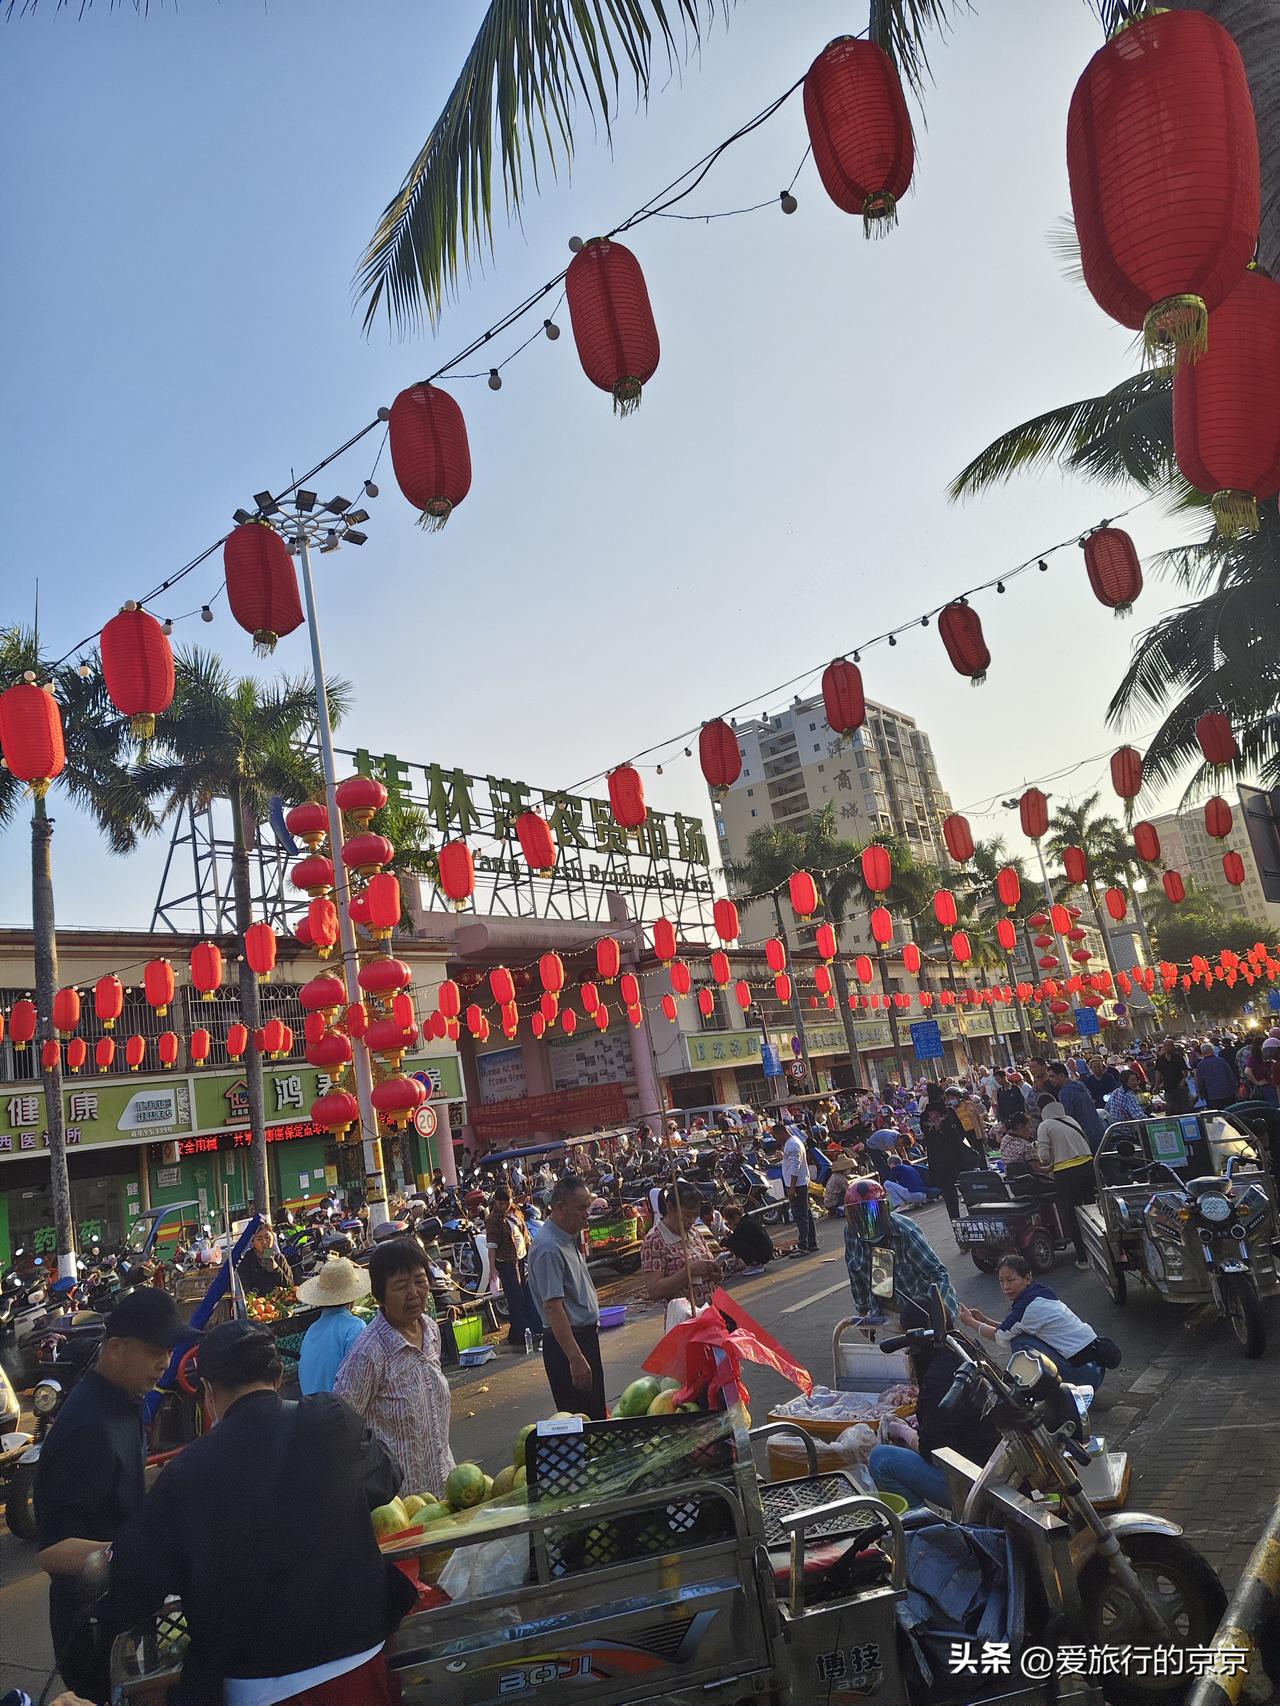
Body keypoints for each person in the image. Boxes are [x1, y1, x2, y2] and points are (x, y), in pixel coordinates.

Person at [106, 1320, 414, 1706]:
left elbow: (136, 1578)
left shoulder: (187, 1471)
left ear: (209, 1392)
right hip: (359, 1661)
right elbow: (387, 1477)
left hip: (259, 1686)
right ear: (278, 1377)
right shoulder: (329, 1418)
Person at [35, 1288, 191, 1702]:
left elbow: (120, 1493)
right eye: (156, 1351)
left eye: (169, 1351)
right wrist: (133, 1552)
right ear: (117, 1348)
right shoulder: (87, 1428)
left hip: (128, 1615)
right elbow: (52, 1553)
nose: (165, 1362)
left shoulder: (125, 1400)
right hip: (93, 1633)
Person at [334, 1237, 455, 1498]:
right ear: (380, 1295)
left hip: (446, 1489)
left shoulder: (430, 1330)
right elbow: (341, 1427)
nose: (414, 1293)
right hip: (399, 1504)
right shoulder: (368, 1352)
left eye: (420, 1281)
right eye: (401, 1286)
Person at [867, 1301, 1001, 1510]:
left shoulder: (939, 1376)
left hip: (976, 1487)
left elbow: (928, 1449)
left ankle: (922, 1524)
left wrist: (902, 1431)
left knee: (880, 1459)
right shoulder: (965, 1346)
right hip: (995, 1468)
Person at [960, 1254, 1109, 1390]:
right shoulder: (1040, 1292)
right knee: (1020, 1336)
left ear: (1027, 1278)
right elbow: (1011, 1328)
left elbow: (1000, 1336)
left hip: (1084, 1374)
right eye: (1001, 1281)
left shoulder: (1027, 1308)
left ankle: (1044, 1390)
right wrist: (984, 1320)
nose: (1006, 1287)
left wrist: (970, 1321)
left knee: (1019, 1342)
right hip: (1095, 1366)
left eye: (1011, 1280)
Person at [527, 1176, 607, 1420]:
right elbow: (553, 1308)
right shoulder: (549, 1248)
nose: (587, 1214)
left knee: (596, 1417)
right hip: (568, 1344)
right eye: (581, 1208)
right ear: (560, 1207)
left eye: (588, 1206)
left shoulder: (567, 1237)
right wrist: (575, 1358)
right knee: (582, 1421)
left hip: (584, 1339)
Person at [843, 1178, 958, 1321]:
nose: (869, 1224)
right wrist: (862, 1310)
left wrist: (933, 1308)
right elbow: (855, 1274)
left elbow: (938, 1273)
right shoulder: (851, 1233)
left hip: (920, 1308)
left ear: (885, 1210)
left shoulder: (905, 1231)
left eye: (873, 1215)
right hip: (885, 1309)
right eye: (861, 1217)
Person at [1035, 1093, 1096, 1268]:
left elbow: (1044, 1157)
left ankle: (1083, 1259)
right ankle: (1099, 1251)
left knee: (1072, 1216)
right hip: (1088, 1166)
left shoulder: (1044, 1125)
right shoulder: (1071, 1120)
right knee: (1092, 1211)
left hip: (1066, 1173)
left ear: (1041, 1109)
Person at [295, 1255, 369, 1396]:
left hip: (311, 1406)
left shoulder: (312, 1329)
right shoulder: (355, 1327)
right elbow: (359, 1382)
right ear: (352, 1299)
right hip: (337, 1407)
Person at [641, 1180, 722, 1309]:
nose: (691, 1220)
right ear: (670, 1208)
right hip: (685, 1316)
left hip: (713, 1311)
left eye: (695, 1216)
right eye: (687, 1215)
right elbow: (654, 1290)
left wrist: (716, 1274)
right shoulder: (654, 1240)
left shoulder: (694, 1231)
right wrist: (689, 1271)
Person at [485, 1184, 544, 1351]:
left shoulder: (516, 1211)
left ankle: (532, 1329)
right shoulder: (493, 1220)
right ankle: (520, 1335)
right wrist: (492, 1268)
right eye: (500, 1203)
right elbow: (492, 1246)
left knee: (527, 1294)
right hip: (506, 1262)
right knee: (516, 1298)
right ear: (496, 1202)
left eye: (506, 1203)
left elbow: (523, 1233)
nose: (504, 1206)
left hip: (521, 1258)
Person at [919, 1099, 970, 1225]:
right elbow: (961, 1132)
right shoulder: (948, 1113)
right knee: (963, 1189)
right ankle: (968, 1215)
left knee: (952, 1194)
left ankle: (955, 1221)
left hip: (942, 1161)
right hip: (953, 1158)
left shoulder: (927, 1117)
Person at [779, 1119, 818, 1256]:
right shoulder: (794, 1142)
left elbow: (795, 1168)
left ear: (781, 1133)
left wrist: (792, 1188)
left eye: (776, 1137)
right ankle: (811, 1243)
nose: (776, 1140)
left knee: (800, 1216)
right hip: (800, 1183)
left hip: (797, 1185)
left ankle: (803, 1245)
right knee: (806, 1213)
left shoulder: (792, 1145)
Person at [1047, 1060, 1104, 1150]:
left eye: (1052, 1076)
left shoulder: (1064, 1092)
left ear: (1062, 1075)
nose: (1050, 1080)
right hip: (1099, 1129)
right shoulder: (1080, 1085)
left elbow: (1069, 1117)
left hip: (1084, 1135)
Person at [236, 1223, 293, 1297]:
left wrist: (276, 1269)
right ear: (253, 1241)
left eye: (267, 1237)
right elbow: (245, 1291)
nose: (264, 1242)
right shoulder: (246, 1263)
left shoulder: (279, 1258)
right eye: (259, 1239)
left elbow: (290, 1285)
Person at [720, 1202, 774, 1272]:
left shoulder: (743, 1226)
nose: (730, 1224)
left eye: (730, 1222)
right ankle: (755, 1263)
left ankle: (755, 1264)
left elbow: (730, 1241)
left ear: (735, 1217)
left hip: (762, 1254)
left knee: (732, 1243)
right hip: (767, 1251)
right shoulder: (748, 1220)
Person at [1195, 1041, 1240, 1110]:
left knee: (1217, 1113)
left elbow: (1200, 1081)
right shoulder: (1221, 1061)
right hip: (1227, 1091)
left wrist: (1200, 1092)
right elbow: (1230, 1074)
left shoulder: (1200, 1065)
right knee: (1231, 1110)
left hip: (1212, 1094)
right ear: (1212, 1050)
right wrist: (1235, 1087)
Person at [1154, 1037, 1193, 1114]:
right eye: (1165, 1045)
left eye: (1168, 1045)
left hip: (1180, 1087)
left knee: (1185, 1108)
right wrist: (1156, 1086)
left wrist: (1182, 1081)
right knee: (1171, 1109)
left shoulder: (1178, 1057)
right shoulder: (1160, 1060)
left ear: (1172, 1046)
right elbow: (1158, 1073)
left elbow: (1185, 1071)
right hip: (1168, 1087)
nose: (1166, 1047)